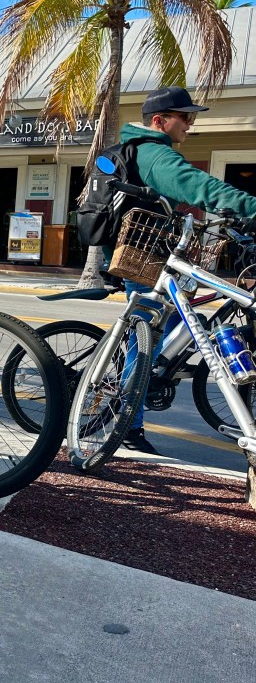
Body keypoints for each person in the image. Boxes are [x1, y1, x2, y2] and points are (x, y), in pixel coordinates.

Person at [113, 85, 256, 454]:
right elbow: (198, 186)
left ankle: (156, 373)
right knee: (146, 340)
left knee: (177, 325)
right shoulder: (153, 154)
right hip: (144, 258)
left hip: (159, 253)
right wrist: (251, 207)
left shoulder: (152, 150)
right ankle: (128, 425)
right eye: (185, 117)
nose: (190, 124)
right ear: (160, 121)